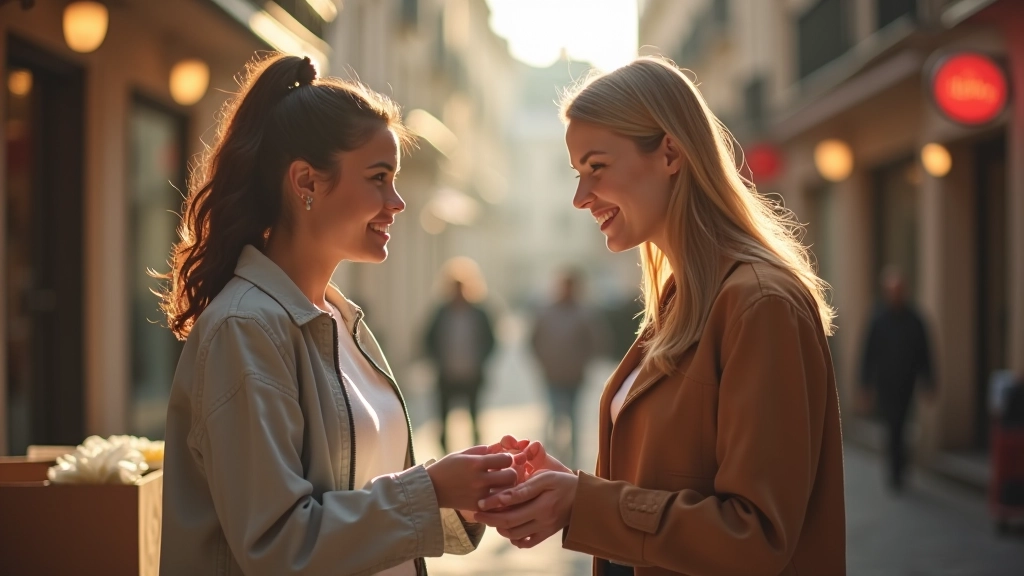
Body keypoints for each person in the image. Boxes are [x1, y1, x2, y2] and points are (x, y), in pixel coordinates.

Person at [476, 56, 847, 576]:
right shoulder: (686, 298)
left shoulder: (759, 305)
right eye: (577, 173)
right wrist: (571, 490)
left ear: (670, 152)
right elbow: (670, 488)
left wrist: (584, 503)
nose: (581, 198)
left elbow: (756, 538)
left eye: (596, 167)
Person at [156, 54, 517, 576]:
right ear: (305, 181)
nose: (396, 201)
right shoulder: (247, 329)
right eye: (378, 177)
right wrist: (431, 487)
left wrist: (460, 494)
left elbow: (364, 495)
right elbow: (279, 544)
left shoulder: (340, 322)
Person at [860, 266, 935, 492]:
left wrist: (929, 381)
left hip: (907, 383)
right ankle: (894, 471)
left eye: (898, 290)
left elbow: (925, 352)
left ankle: (900, 467)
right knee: (891, 426)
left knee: (902, 426)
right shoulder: (878, 318)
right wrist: (865, 384)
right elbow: (868, 352)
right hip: (886, 384)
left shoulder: (915, 319)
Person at [531, 268, 605, 468]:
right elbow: (534, 341)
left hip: (574, 376)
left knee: (573, 419)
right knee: (554, 417)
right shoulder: (547, 312)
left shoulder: (584, 313)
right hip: (552, 375)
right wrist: (544, 362)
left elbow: (596, 342)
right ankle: (550, 457)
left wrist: (583, 363)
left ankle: (572, 461)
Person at [425, 276, 496, 453]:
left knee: (474, 417)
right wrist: (438, 360)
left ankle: (477, 453)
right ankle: (445, 455)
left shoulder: (478, 313)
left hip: (471, 375)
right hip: (447, 375)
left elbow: (491, 340)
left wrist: (480, 360)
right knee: (443, 419)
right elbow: (427, 339)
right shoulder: (441, 313)